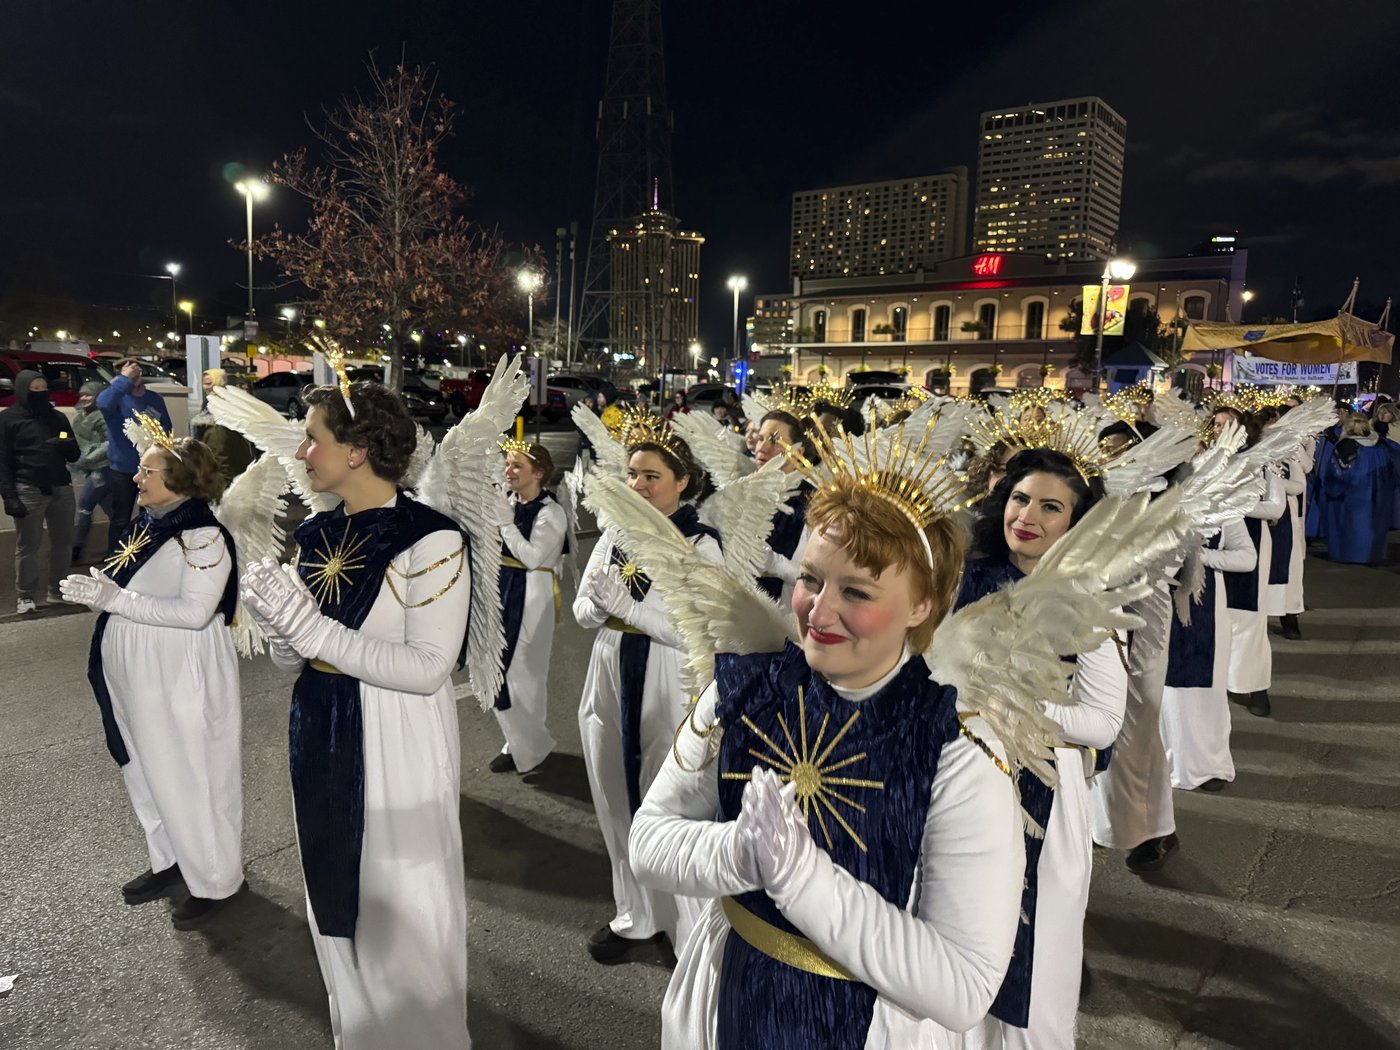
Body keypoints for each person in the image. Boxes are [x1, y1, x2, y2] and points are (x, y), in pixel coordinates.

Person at [628, 439, 1024, 1049]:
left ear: (922, 604)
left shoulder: (957, 743)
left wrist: (804, 881)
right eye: (810, 578)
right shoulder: (746, 688)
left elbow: (964, 985)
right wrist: (739, 852)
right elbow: (649, 841)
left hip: (872, 1024)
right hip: (723, 991)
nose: (818, 610)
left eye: (857, 592)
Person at [241, 380, 472, 1049]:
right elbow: (298, 662)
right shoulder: (314, 533)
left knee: (403, 900)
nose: (303, 449)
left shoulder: (431, 539)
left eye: (315, 436)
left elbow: (429, 666)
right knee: (333, 888)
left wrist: (313, 634)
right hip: (318, 722)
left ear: (360, 449)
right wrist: (282, 631)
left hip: (396, 738)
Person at [958, 448, 1125, 1049]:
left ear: (1075, 525)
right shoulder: (962, 579)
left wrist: (1006, 697)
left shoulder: (1087, 600)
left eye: (1050, 507)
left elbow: (1103, 723)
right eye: (1020, 498)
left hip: (1044, 796)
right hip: (956, 784)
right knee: (957, 945)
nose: (1025, 514)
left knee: (1036, 962)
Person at [59, 433, 244, 928]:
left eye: (147, 471)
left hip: (180, 674)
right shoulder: (150, 525)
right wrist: (106, 593)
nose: (137, 478)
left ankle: (217, 878)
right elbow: (130, 590)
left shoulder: (203, 537)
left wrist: (114, 600)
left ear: (179, 478)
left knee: (190, 775)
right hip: (139, 676)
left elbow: (195, 612)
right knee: (145, 773)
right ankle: (170, 860)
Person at [573, 420, 722, 964]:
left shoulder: (702, 544)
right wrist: (597, 606)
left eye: (652, 476)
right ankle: (636, 913)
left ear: (684, 481)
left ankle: (688, 929)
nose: (637, 485)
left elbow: (702, 629)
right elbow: (583, 607)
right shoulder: (616, 531)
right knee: (613, 787)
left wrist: (629, 609)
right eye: (632, 473)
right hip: (610, 663)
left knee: (669, 799)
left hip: (669, 673)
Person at [1160, 518, 1256, 791]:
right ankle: (1165, 762)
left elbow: (1247, 557)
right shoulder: (1148, 496)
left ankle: (1207, 765)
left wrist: (1199, 555)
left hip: (1204, 609)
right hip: (1153, 604)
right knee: (1163, 693)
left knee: (1202, 692)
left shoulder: (1223, 507)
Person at [492, 440, 567, 774]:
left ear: (538, 473)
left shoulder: (551, 512)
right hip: (504, 590)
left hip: (533, 594)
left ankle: (528, 746)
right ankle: (517, 742)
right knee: (500, 671)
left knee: (527, 673)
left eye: (517, 465)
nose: (509, 471)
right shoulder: (509, 500)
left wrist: (505, 524)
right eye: (508, 464)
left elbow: (534, 557)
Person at [0, 370, 80, 613]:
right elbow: (2, 460)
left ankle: (57, 591)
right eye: (33, 389)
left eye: (42, 388)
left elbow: (73, 451)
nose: (39, 393)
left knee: (63, 543)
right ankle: (25, 596)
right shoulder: (9, 419)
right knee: (28, 546)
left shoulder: (57, 418)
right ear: (23, 390)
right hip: (28, 488)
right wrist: (9, 496)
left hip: (61, 487)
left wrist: (65, 443)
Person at [1224, 415, 1285, 718]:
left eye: (1225, 424)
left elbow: (1276, 507)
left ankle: (1256, 686)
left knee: (1248, 620)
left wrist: (1232, 504)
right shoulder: (1208, 461)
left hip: (1253, 542)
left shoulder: (1265, 462)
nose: (1218, 430)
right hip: (1217, 544)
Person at [98, 360, 172, 553]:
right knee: (120, 518)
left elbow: (166, 427)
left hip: (150, 469)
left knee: (151, 514)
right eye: (131, 375)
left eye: (137, 374)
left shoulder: (154, 398)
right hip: (123, 470)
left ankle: (146, 555)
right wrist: (123, 380)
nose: (135, 377)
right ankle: (114, 559)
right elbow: (103, 404)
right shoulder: (116, 399)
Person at [750, 408, 816, 603]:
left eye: (775, 441)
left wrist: (772, 563)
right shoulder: (745, 490)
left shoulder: (813, 504)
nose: (763, 447)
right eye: (760, 438)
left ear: (799, 452)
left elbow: (817, 579)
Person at [1320, 415, 1398, 565]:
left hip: (1352, 494)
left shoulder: (1346, 447)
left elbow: (1336, 475)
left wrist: (1331, 486)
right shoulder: (1382, 444)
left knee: (1353, 524)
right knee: (1373, 524)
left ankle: (1351, 554)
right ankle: (1372, 553)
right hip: (1379, 494)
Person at [71, 380, 114, 565]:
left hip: (102, 468)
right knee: (112, 510)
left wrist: (89, 457)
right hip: (90, 469)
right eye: (83, 394)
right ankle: (125, 543)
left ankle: (76, 550)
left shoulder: (102, 416)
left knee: (84, 504)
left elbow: (109, 443)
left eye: (89, 394)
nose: (85, 398)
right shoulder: (80, 415)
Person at [191, 369, 254, 483]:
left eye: (209, 383)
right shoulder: (209, 401)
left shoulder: (227, 401)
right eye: (204, 383)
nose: (206, 387)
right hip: (218, 457)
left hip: (226, 460)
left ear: (219, 382)